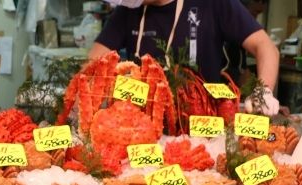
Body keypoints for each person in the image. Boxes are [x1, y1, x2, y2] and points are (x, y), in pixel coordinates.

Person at [90, 0, 280, 115]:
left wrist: (263, 92)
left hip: (207, 124)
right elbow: (93, 62)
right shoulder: (128, 9)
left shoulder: (214, 4)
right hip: (142, 124)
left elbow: (265, 47)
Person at [224, 0, 268, 87]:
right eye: (256, 13)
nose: (255, 19)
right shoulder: (232, 26)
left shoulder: (239, 28)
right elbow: (242, 76)